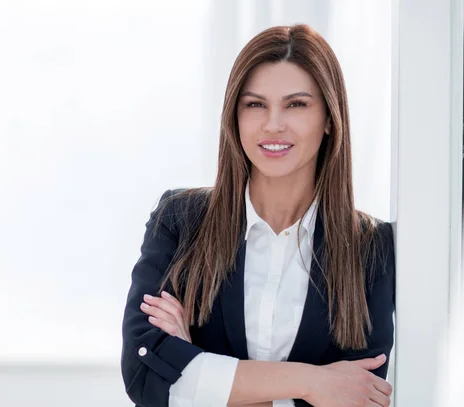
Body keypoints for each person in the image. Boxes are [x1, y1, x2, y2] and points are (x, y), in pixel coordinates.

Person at [121, 24, 395, 407]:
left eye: (296, 104)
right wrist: (311, 382)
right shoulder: (180, 221)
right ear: (235, 116)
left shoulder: (373, 249)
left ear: (330, 118)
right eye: (255, 104)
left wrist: (199, 373)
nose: (273, 124)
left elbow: (359, 397)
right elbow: (146, 377)